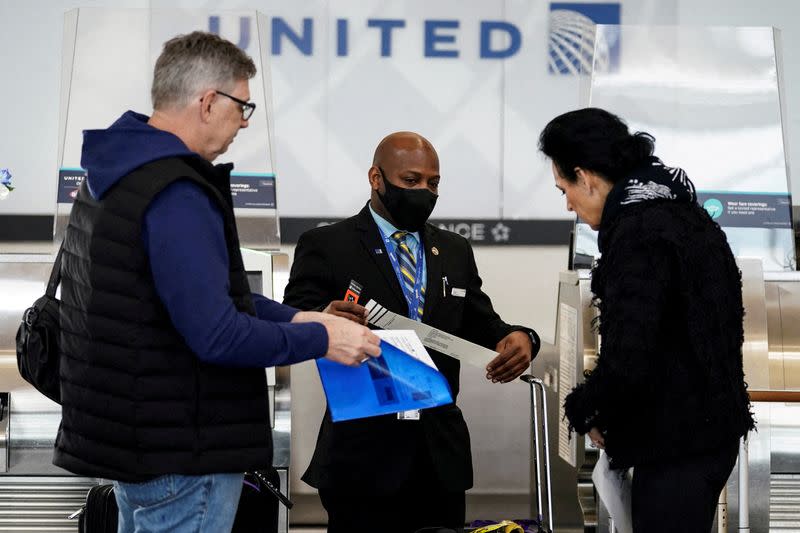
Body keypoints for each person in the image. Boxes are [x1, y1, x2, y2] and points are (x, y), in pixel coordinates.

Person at [53, 31, 380, 533]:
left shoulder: (115, 174)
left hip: (136, 444)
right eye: (242, 108)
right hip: (186, 453)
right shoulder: (177, 191)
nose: (243, 124)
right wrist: (325, 338)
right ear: (208, 102)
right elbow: (218, 333)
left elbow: (199, 293)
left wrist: (299, 316)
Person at [283, 131, 540, 532]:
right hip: (362, 455)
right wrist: (322, 316)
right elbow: (291, 319)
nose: (425, 191)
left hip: (439, 456)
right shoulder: (328, 244)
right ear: (376, 177)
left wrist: (523, 337)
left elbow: (483, 322)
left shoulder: (454, 250)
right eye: (411, 180)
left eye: (433, 183)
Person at [539, 108, 755, 532]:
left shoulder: (636, 233)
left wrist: (588, 408)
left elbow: (633, 350)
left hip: (675, 445)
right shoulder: (684, 210)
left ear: (586, 176)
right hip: (712, 435)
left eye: (564, 188)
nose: (568, 203)